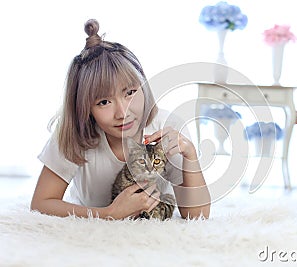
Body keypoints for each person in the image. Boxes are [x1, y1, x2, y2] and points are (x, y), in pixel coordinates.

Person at [30, 19, 211, 220]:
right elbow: (41, 203)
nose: (122, 112)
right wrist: (108, 214)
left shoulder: (166, 126)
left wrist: (191, 157)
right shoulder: (73, 134)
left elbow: (198, 215)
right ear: (84, 108)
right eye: (104, 102)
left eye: (131, 92)